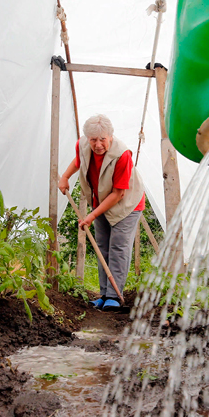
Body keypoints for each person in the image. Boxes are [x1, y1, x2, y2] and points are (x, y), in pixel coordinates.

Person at [58, 115, 145, 311]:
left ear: (110, 136)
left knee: (118, 248)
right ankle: (105, 294)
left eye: (102, 139)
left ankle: (115, 296)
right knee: (102, 246)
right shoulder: (83, 145)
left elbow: (118, 194)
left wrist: (91, 216)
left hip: (126, 205)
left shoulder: (122, 155)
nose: (98, 145)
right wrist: (65, 177)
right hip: (101, 201)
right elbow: (79, 161)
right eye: (93, 140)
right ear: (87, 138)